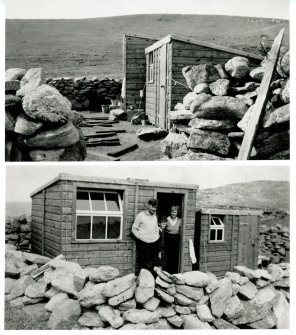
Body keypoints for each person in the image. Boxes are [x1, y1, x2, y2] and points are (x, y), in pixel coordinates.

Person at [132, 199, 160, 273]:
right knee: (146, 263)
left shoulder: (155, 216)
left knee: (154, 262)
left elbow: (156, 227)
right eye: (153, 207)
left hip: (154, 242)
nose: (154, 209)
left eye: (155, 207)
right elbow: (134, 229)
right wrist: (140, 237)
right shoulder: (140, 216)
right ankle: (146, 281)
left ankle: (153, 281)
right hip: (144, 243)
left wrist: (157, 236)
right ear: (148, 206)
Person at [160, 205, 182, 274]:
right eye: (172, 212)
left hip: (176, 239)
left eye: (175, 212)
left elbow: (181, 231)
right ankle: (167, 273)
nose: (173, 214)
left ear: (177, 213)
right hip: (168, 239)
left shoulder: (179, 221)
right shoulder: (166, 219)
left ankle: (174, 273)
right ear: (170, 212)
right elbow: (162, 229)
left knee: (175, 256)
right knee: (167, 256)